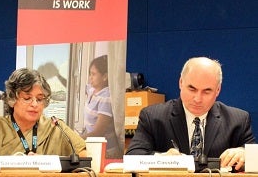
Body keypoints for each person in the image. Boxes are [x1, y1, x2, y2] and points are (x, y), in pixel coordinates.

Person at [126, 57, 256, 171]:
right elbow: (132, 157)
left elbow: (255, 158)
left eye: (207, 91)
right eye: (192, 89)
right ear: (181, 83)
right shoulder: (153, 117)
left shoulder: (238, 120)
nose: (197, 99)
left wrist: (245, 154)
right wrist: (161, 159)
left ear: (217, 90)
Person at [0, 68, 86, 171]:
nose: (34, 104)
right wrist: (18, 163)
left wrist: (45, 162)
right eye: (27, 98)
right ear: (12, 99)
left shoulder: (56, 126)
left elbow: (85, 158)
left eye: (39, 99)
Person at [80, 55, 123, 159]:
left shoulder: (106, 97)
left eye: (93, 74)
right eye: (90, 73)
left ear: (105, 77)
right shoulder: (91, 89)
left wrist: (76, 140)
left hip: (107, 153)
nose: (90, 77)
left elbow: (98, 133)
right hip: (93, 147)